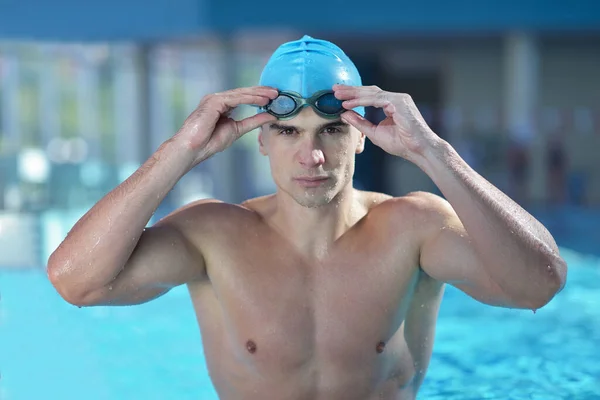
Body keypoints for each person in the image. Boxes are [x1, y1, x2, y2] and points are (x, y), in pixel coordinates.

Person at [47, 36, 567, 400]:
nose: (312, 157)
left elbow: (538, 285)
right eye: (291, 132)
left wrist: (433, 153)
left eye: (332, 131)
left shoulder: (414, 230)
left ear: (361, 135)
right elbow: (76, 282)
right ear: (263, 139)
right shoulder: (212, 235)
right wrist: (179, 152)